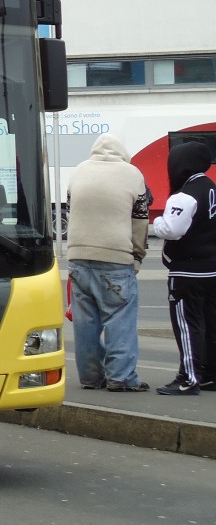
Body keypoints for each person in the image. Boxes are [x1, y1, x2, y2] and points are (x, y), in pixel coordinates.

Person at [65, 133, 152, 392]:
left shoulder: (79, 171)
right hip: (115, 258)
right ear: (122, 154)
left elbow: (70, 210)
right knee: (119, 319)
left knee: (85, 323)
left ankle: (91, 377)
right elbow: (140, 221)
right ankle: (121, 377)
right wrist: (137, 256)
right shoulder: (132, 174)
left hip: (78, 257)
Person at [152, 141, 216, 396]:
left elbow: (173, 230)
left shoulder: (185, 195)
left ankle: (187, 379)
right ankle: (210, 374)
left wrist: (157, 222)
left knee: (188, 325)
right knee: (210, 323)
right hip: (212, 269)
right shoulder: (211, 188)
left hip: (188, 272)